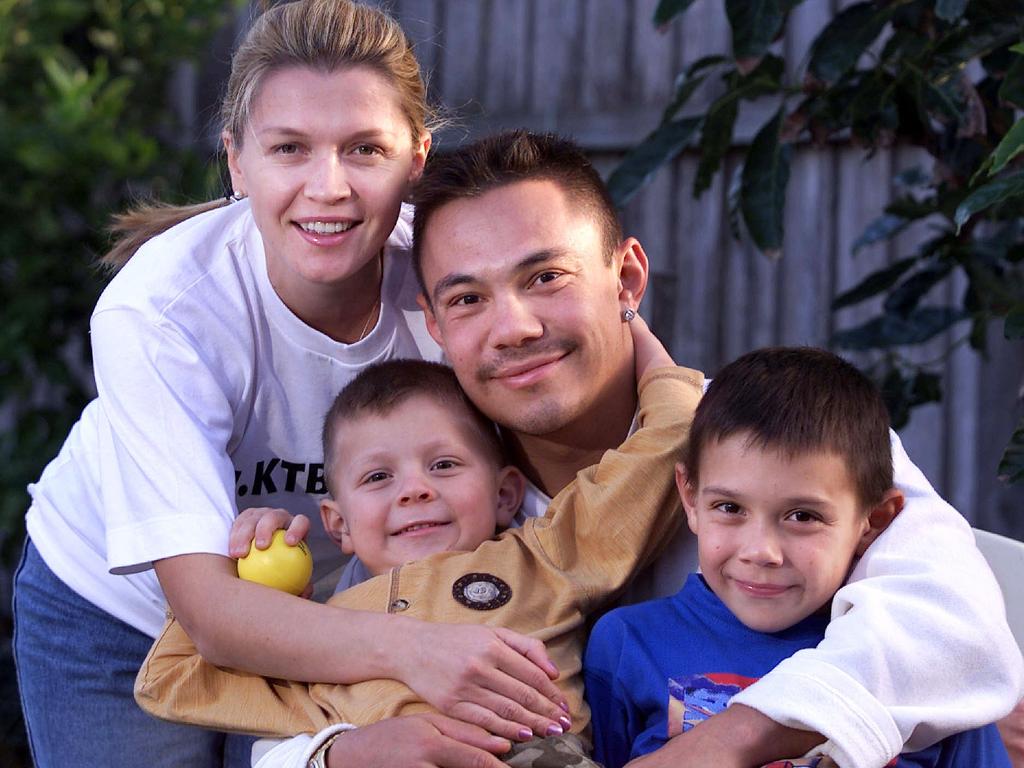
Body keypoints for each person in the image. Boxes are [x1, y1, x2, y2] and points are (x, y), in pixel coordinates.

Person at [242, 130, 1020, 768]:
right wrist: (340, 755)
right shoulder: (439, 500)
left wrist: (728, 742)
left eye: (546, 276)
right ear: (437, 326)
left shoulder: (773, 438)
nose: (512, 327)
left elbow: (947, 614)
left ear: (627, 278)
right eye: (468, 298)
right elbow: (291, 712)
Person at [11, 5, 569, 767]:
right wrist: (418, 650)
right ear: (237, 161)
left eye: (365, 149)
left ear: (416, 159)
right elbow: (208, 614)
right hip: (124, 620)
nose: (328, 187)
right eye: (290, 149)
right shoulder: (166, 307)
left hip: (348, 604)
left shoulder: (452, 282)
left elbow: (585, 400)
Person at [134, 326, 704, 768]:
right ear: (339, 525)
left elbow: (663, 450)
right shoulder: (309, 633)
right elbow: (173, 680)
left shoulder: (544, 557)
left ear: (506, 493)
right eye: (378, 478)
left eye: (444, 464)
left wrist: (641, 341)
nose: (416, 489)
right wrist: (244, 577)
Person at [583, 346, 1011, 768]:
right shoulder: (627, 645)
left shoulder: (929, 672)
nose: (761, 552)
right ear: (691, 497)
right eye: (730, 508)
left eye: (802, 516)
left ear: (874, 520)